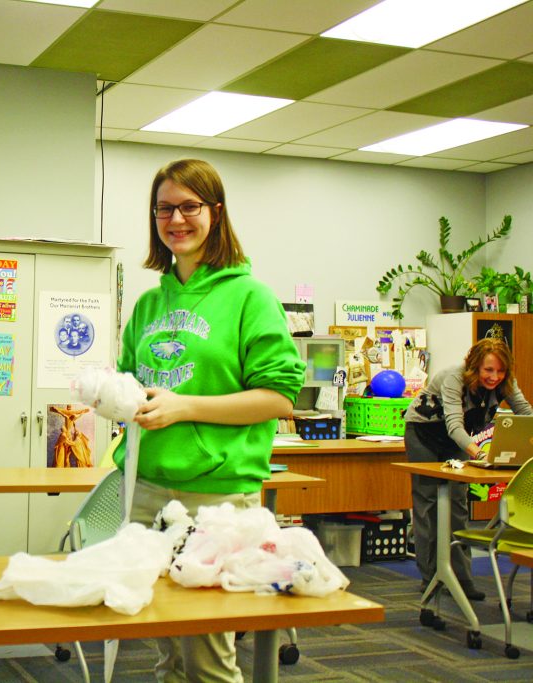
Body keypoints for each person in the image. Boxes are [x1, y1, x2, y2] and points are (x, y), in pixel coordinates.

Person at [117, 159, 304, 683]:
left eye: (189, 206)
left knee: (207, 654)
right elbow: (135, 384)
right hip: (147, 487)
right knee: (166, 647)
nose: (176, 219)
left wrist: (186, 406)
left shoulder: (251, 297)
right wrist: (111, 395)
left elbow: (278, 398)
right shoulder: (149, 304)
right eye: (163, 208)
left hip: (218, 497)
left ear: (215, 213)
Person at [404, 337, 532, 600]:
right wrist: (480, 454)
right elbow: (454, 425)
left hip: (459, 439)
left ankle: (462, 578)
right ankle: (431, 577)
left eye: (500, 370)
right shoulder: (454, 377)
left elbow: (526, 413)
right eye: (488, 370)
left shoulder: (506, 383)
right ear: (474, 366)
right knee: (427, 503)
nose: (494, 377)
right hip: (425, 433)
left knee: (457, 503)